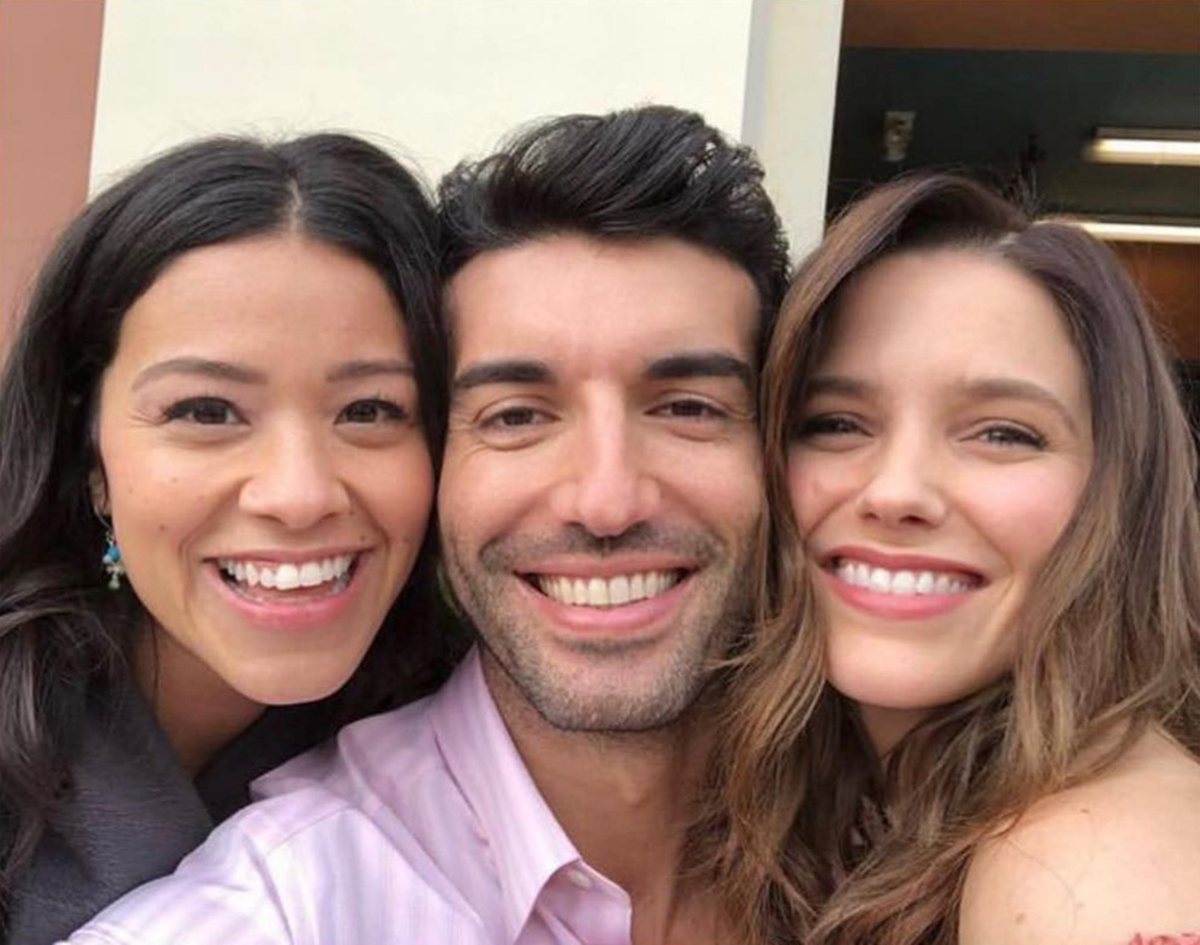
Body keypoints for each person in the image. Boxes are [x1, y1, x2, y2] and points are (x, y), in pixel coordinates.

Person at [60, 105, 789, 944]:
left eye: (690, 407)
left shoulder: (887, 823)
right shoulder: (289, 902)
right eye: (517, 415)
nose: (606, 501)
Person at [699, 173, 1200, 944]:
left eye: (1002, 432)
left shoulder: (1090, 864)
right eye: (836, 422)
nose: (897, 491)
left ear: (1118, 493)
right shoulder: (831, 800)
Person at [0, 133, 457, 943]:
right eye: (206, 411)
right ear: (90, 457)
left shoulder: (464, 758)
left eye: (370, 410)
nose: (298, 495)